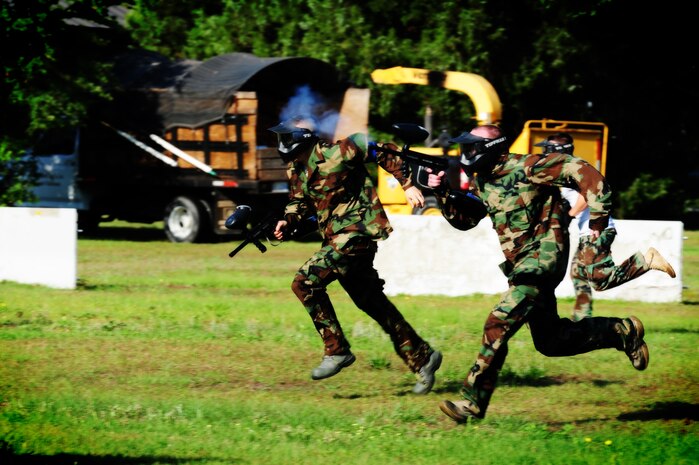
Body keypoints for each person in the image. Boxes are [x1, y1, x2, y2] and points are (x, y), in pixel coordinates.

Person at [426, 124, 652, 423]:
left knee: (499, 321)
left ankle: (471, 402)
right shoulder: (483, 181)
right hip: (522, 267)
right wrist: (441, 192)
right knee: (551, 342)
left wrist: (597, 229)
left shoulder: (529, 166)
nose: (465, 153)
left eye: (470, 147)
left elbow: (590, 176)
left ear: (488, 149)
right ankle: (621, 332)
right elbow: (466, 220)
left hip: (542, 262)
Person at [268, 116, 442, 394]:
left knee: (304, 282)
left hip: (357, 234)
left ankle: (336, 350)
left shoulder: (340, 151)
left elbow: (383, 150)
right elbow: (298, 202)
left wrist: (407, 184)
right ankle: (423, 357)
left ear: (301, 138)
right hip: (337, 239)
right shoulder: (297, 169)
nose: (281, 144)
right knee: (372, 303)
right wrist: (286, 222)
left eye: (286, 137)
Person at [535, 133, 676, 322]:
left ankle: (646, 261)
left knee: (600, 281)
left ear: (556, 151)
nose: (543, 154)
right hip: (590, 230)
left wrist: (570, 215)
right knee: (578, 273)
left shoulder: (575, 169)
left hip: (595, 230)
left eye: (546, 150)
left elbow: (587, 196)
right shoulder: (566, 169)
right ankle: (582, 317)